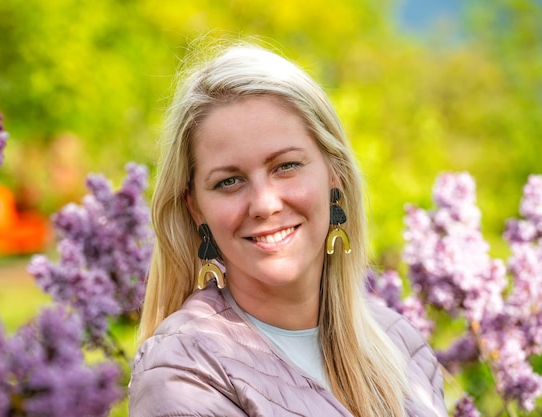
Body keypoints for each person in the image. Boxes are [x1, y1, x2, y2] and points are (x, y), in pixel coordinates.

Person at [128, 41, 448, 417]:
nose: (265, 204)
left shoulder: (398, 341)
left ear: (335, 173)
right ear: (196, 208)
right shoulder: (184, 372)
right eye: (229, 181)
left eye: (286, 166)